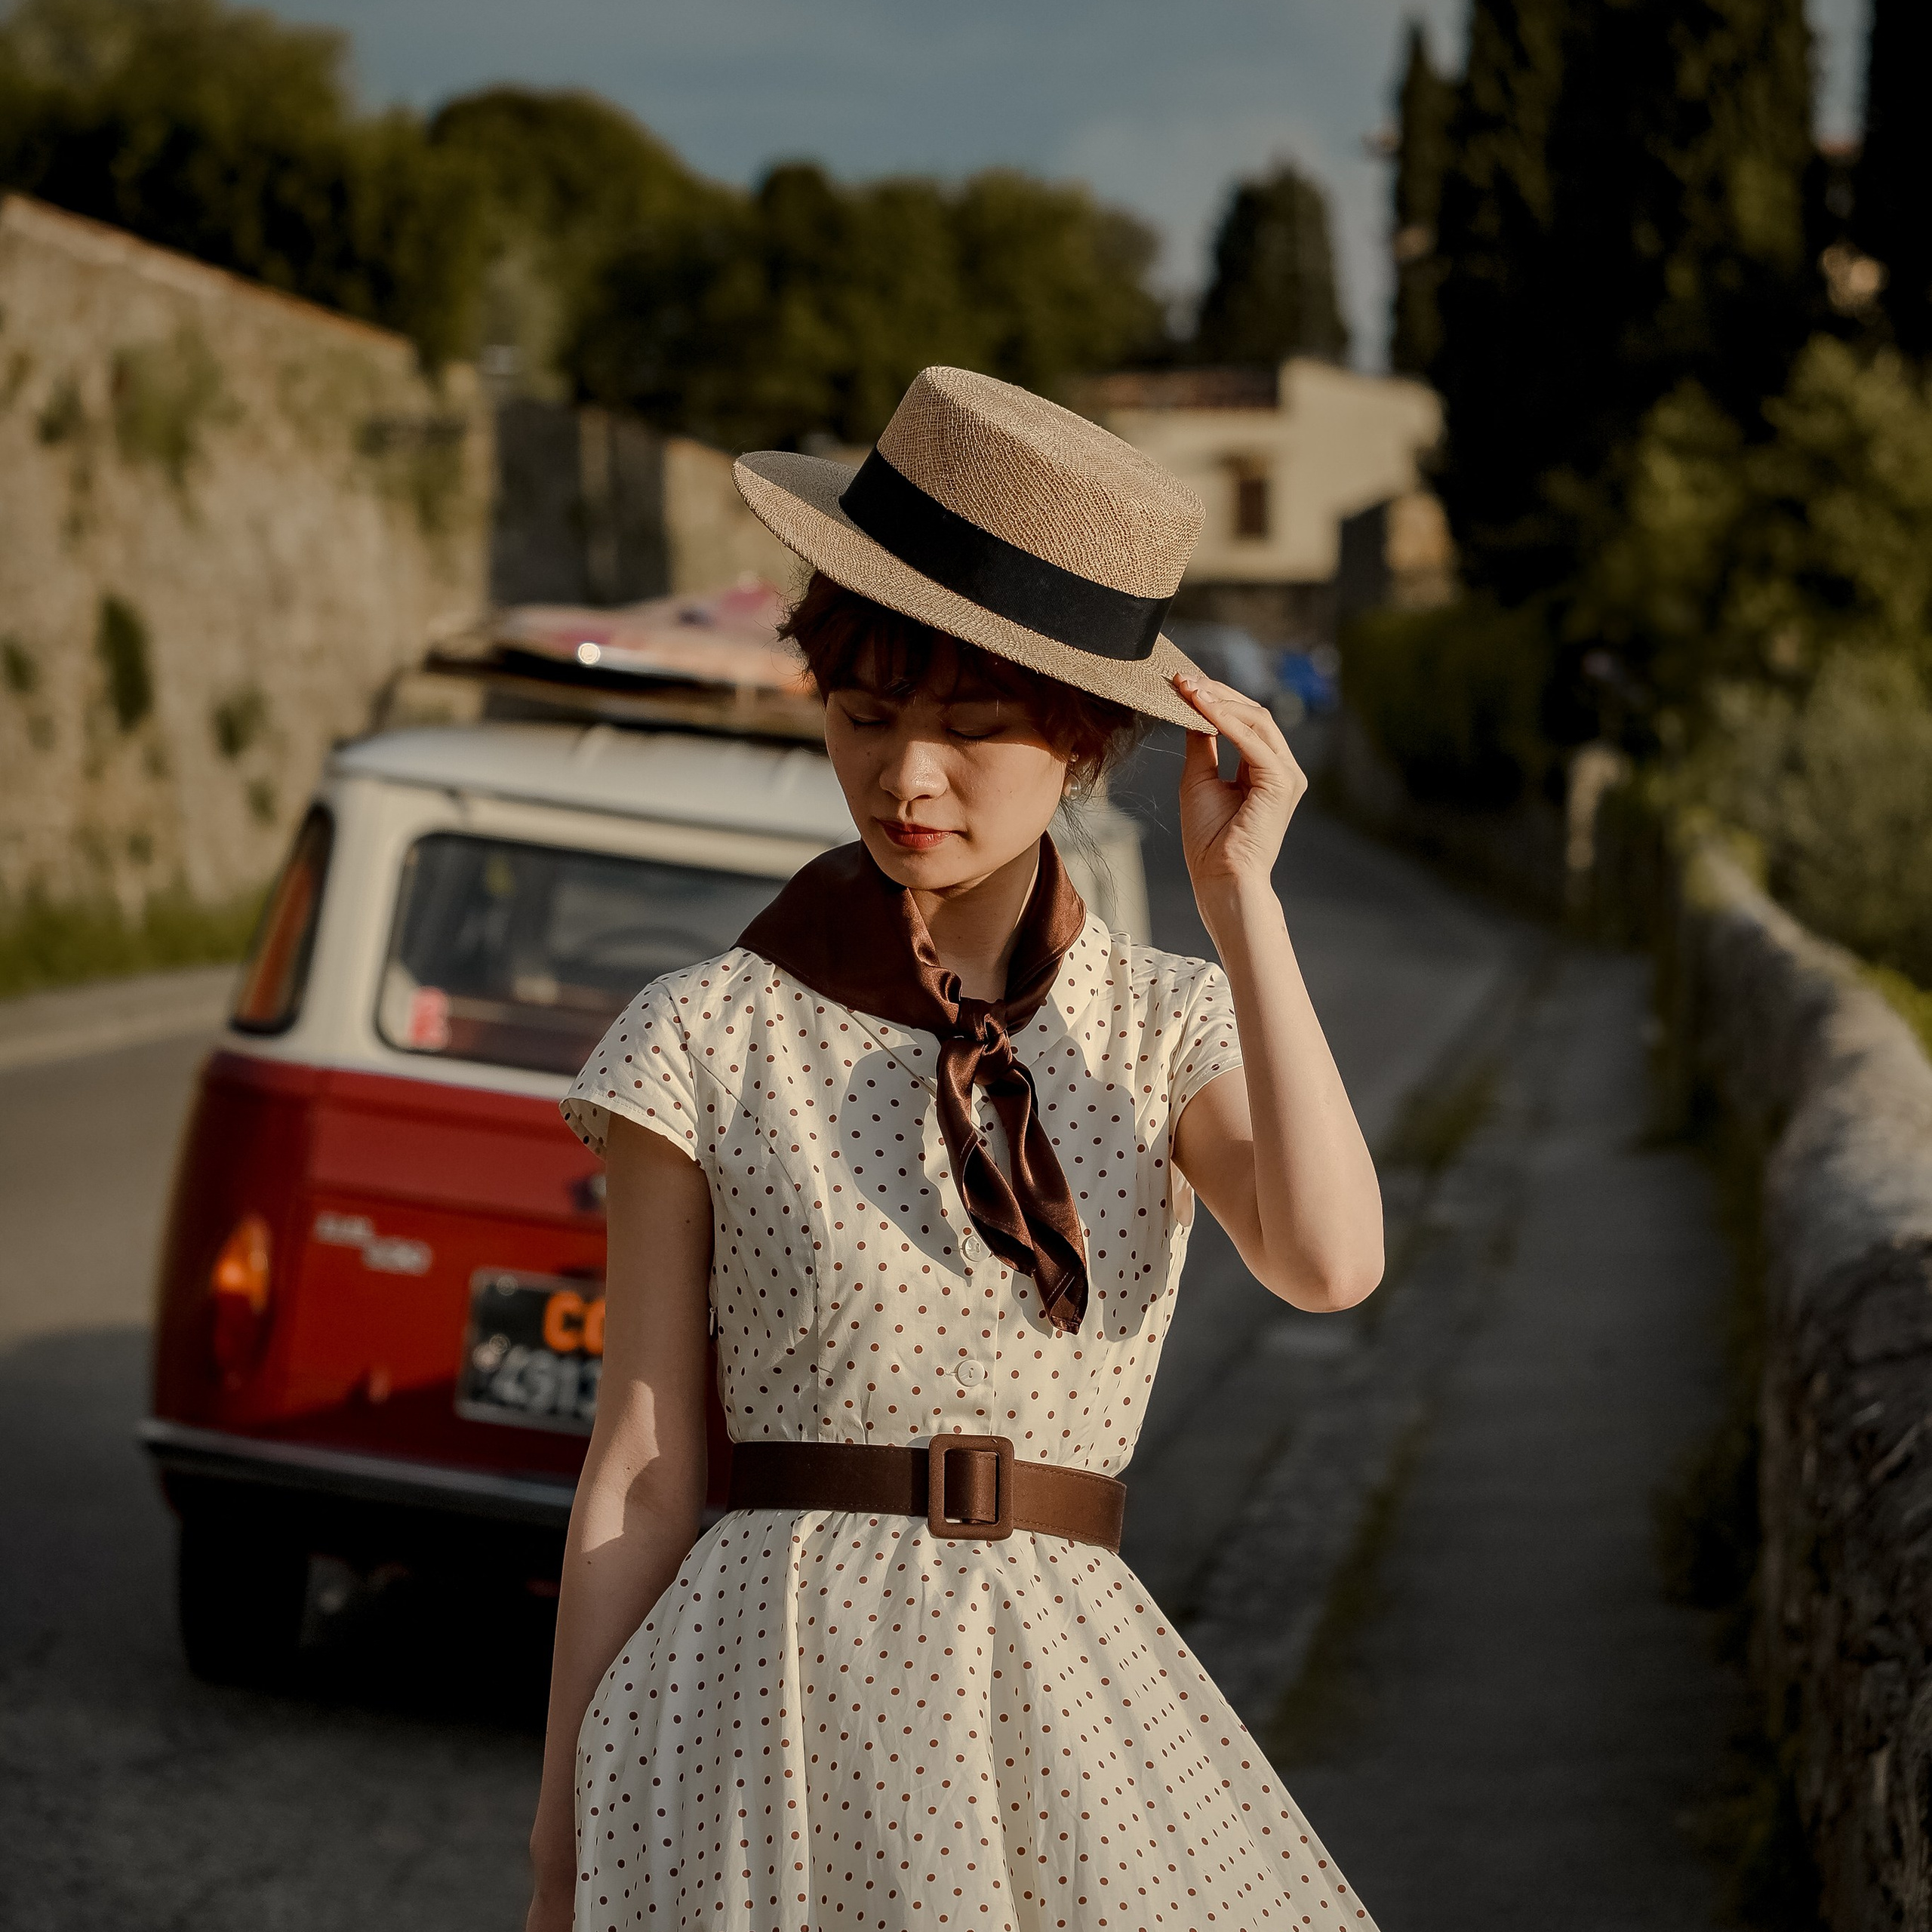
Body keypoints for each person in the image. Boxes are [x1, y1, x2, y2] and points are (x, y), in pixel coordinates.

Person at [528, 366, 1385, 1930]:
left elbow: (1329, 1262)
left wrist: (1241, 904)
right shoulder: (707, 1031)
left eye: (971, 728)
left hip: (1057, 1717)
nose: (904, 776)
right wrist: (558, 1837)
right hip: (759, 1720)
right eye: (864, 717)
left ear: (1078, 740)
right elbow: (639, 1471)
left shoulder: (1162, 1025)